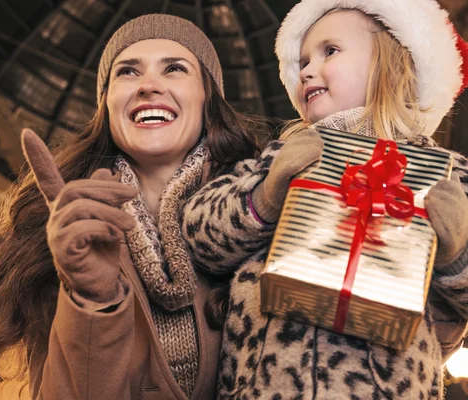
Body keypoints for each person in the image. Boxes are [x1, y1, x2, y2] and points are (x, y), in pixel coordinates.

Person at [0, 14, 262, 400]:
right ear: (107, 105)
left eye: (175, 69)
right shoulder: (59, 238)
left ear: (207, 97)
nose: (148, 85)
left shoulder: (259, 211)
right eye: (127, 72)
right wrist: (91, 299)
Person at [182, 0, 468, 398]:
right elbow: (199, 233)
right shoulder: (284, 154)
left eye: (329, 51)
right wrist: (264, 197)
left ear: (390, 64)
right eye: (302, 62)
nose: (307, 70)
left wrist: (459, 256)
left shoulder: (447, 172)